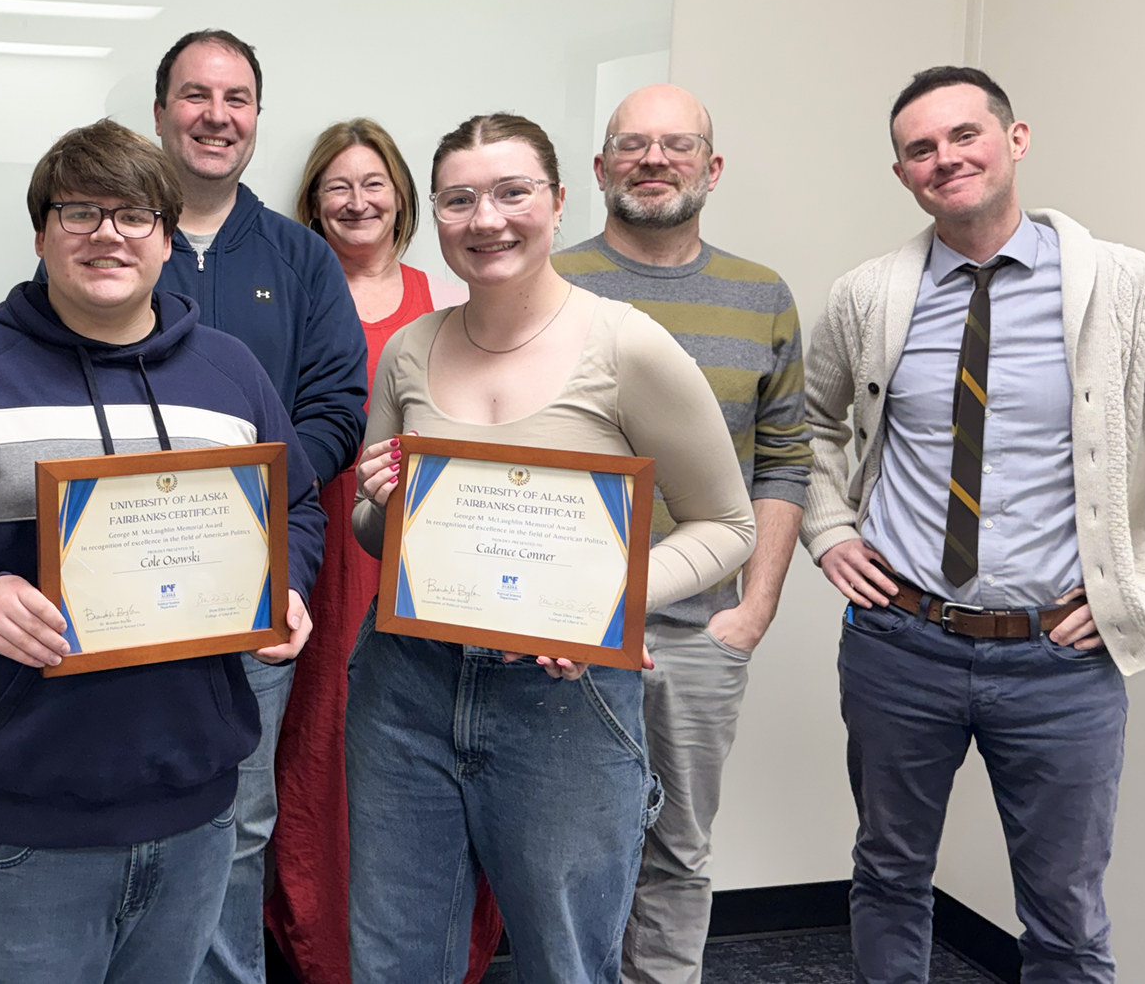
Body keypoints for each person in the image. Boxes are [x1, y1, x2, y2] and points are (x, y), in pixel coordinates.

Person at [0, 118, 320, 984]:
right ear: (39, 235)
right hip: (22, 820)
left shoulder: (232, 372)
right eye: (79, 211)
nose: (107, 234)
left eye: (133, 214)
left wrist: (289, 586)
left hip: (197, 807)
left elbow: (297, 508)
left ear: (168, 239)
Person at [347, 112, 755, 984]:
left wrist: (604, 605)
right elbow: (382, 541)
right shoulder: (410, 350)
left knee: (567, 962)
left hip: (562, 697)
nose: (486, 218)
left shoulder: (626, 344)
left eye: (511, 192)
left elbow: (728, 527)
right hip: (405, 687)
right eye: (459, 199)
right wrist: (381, 503)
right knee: (394, 958)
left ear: (559, 201)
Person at [802, 66, 1145, 984]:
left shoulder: (1125, 288)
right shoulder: (867, 296)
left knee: (1066, 916)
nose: (945, 158)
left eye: (965, 135)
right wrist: (830, 528)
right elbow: (804, 423)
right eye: (921, 148)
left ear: (1016, 140)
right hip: (901, 642)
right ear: (901, 174)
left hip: (1063, 657)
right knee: (888, 875)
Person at [551, 84, 810, 984]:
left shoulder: (762, 295)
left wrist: (755, 609)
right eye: (632, 144)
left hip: (703, 626)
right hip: (566, 626)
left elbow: (783, 458)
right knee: (560, 846)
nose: (653, 160)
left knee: (679, 846)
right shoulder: (549, 283)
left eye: (676, 144)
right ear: (599, 168)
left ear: (712, 165)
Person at [150, 29, 367, 984]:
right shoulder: (113, 236)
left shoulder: (301, 257)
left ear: (255, 118)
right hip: (128, 578)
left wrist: (245, 499)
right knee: (131, 808)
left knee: (240, 818)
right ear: (161, 112)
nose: (215, 115)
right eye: (195, 95)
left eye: (235, 98)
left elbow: (337, 409)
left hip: (259, 583)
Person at [268, 118, 492, 984]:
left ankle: (433, 947)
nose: (358, 202)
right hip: (324, 538)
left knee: (425, 736)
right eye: (337, 187)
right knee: (319, 733)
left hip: (417, 546)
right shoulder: (295, 294)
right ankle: (323, 946)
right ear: (313, 204)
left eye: (373, 183)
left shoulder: (447, 301)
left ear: (402, 196)